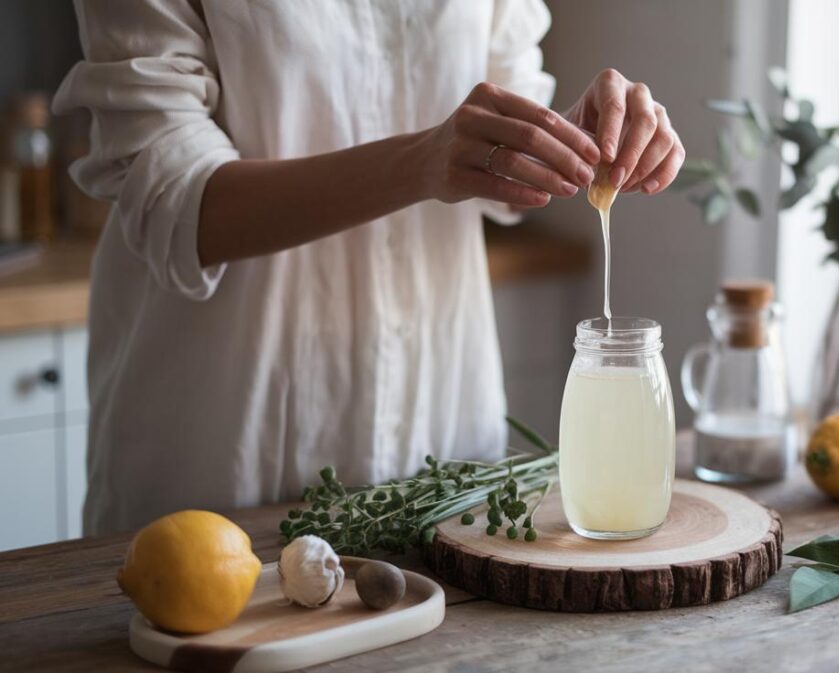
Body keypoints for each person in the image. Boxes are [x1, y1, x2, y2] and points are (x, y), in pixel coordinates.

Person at [53, 0, 684, 535]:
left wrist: (567, 141)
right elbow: (173, 201)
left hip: (442, 465)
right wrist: (422, 162)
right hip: (223, 469)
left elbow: (496, 126)